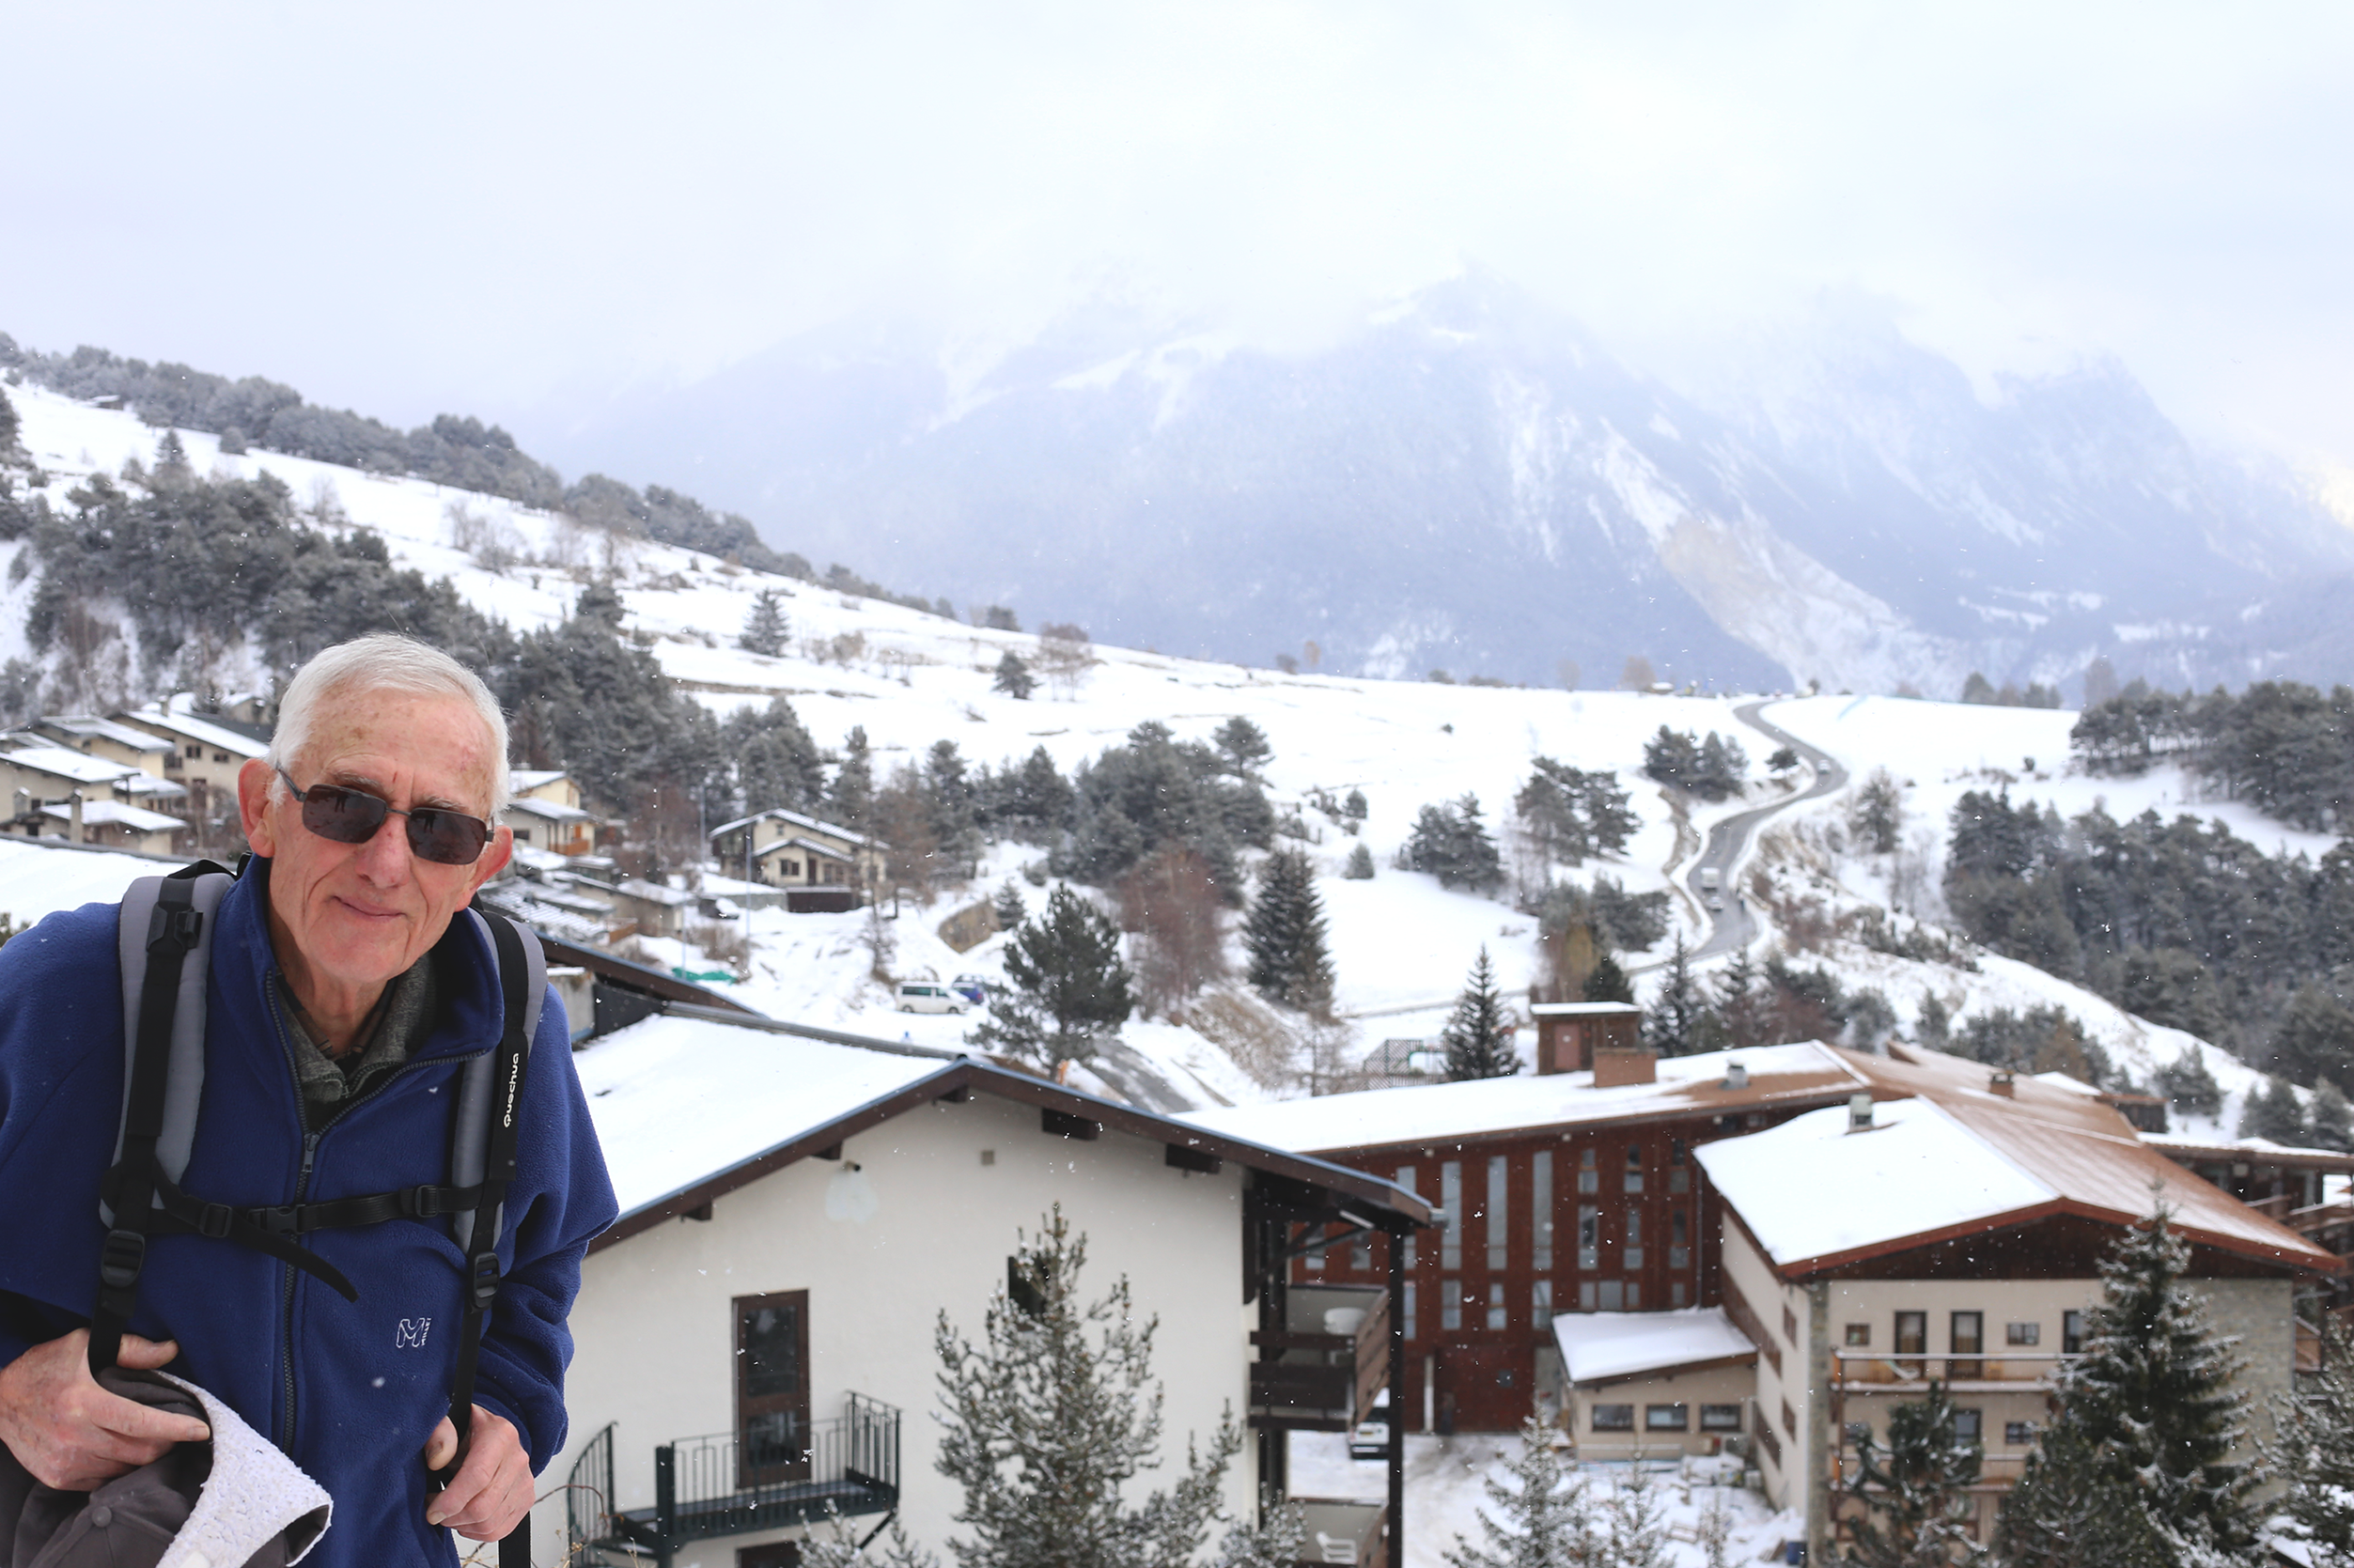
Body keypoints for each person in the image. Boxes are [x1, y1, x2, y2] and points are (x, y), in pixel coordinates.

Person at [0, 636, 618, 1568]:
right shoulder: (83, 991)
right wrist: (8, 1385)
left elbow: (540, 1259)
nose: (386, 862)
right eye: (345, 804)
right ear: (262, 808)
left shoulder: (513, 1033)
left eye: (440, 830)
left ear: (481, 866)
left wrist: (509, 1407)